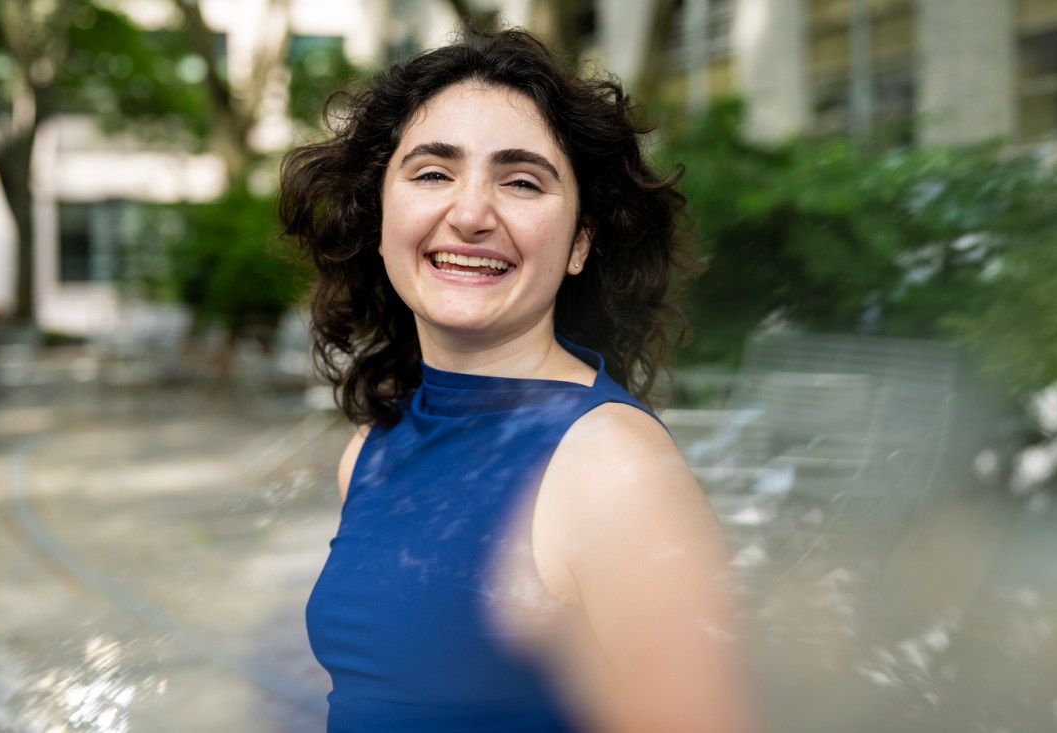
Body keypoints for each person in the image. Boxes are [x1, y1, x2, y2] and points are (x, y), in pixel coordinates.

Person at [280, 25, 753, 733]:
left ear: (580, 242)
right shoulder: (371, 447)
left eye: (522, 181)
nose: (470, 214)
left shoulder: (613, 468)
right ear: (379, 214)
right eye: (433, 172)